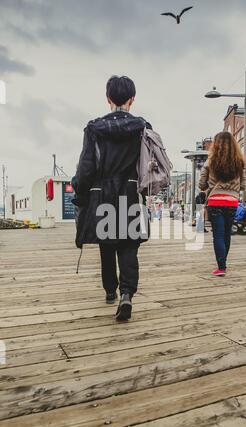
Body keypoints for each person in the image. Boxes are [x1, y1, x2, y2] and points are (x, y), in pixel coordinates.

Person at [72, 75, 152, 321]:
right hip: (131, 193)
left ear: (108, 99)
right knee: (129, 246)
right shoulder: (142, 127)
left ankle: (110, 291)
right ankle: (127, 294)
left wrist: (80, 192)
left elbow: (86, 168)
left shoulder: (94, 129)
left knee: (107, 245)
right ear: (132, 100)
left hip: (103, 195)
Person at [199, 131, 245, 276]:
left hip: (215, 200)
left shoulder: (210, 161)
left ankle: (221, 267)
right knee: (226, 234)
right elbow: (243, 185)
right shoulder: (239, 163)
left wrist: (210, 187)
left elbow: (201, 184)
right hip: (232, 202)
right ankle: (223, 264)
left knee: (218, 235)